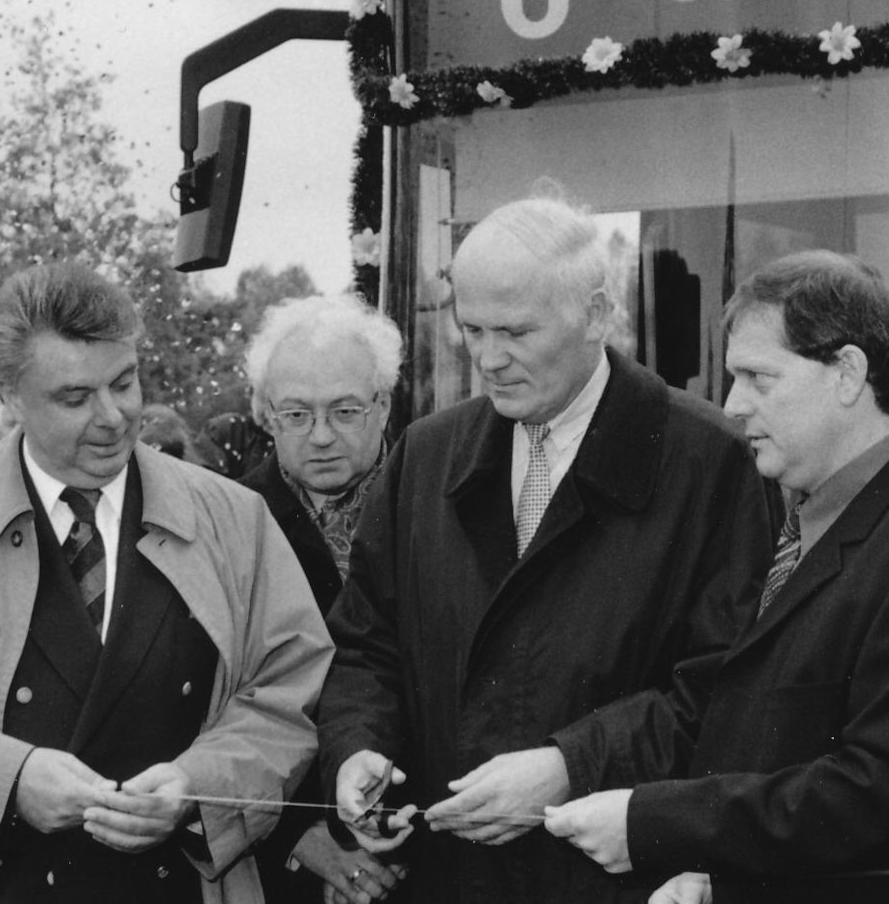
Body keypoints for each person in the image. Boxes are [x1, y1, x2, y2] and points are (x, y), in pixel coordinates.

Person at [0, 260, 333, 904]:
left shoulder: (234, 519)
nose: (113, 417)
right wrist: (8, 781)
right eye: (75, 398)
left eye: (125, 382)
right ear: (9, 396)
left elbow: (288, 694)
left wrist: (198, 786)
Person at [319, 196, 772, 904]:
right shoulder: (426, 456)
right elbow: (366, 648)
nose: (488, 360)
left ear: (596, 314)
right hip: (451, 881)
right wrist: (358, 754)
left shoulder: (709, 461)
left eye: (515, 332)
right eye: (471, 329)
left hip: (620, 883)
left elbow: (729, 690)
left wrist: (569, 765)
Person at [546, 249, 889, 904]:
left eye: (758, 379)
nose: (733, 405)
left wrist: (655, 824)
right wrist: (712, 876)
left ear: (848, 374)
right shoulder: (816, 521)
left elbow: (880, 796)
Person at [238, 294, 405, 904]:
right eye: (297, 415)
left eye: (345, 410)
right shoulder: (229, 524)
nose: (323, 437)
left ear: (384, 404)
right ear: (265, 416)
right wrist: (298, 835)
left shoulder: (444, 503)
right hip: (284, 858)